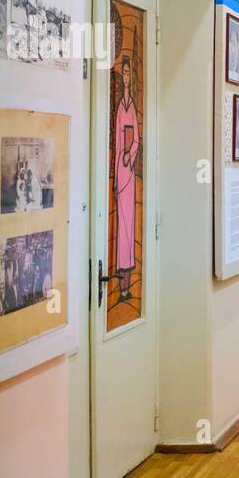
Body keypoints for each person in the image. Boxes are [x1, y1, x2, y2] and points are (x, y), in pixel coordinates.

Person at [112, 56, 140, 301]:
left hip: (129, 170)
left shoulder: (132, 108)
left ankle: (128, 285)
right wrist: (116, 171)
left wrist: (129, 157)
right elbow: (118, 141)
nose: (125, 76)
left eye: (128, 73)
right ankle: (121, 285)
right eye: (123, 73)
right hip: (120, 174)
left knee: (129, 226)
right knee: (121, 226)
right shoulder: (120, 108)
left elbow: (136, 140)